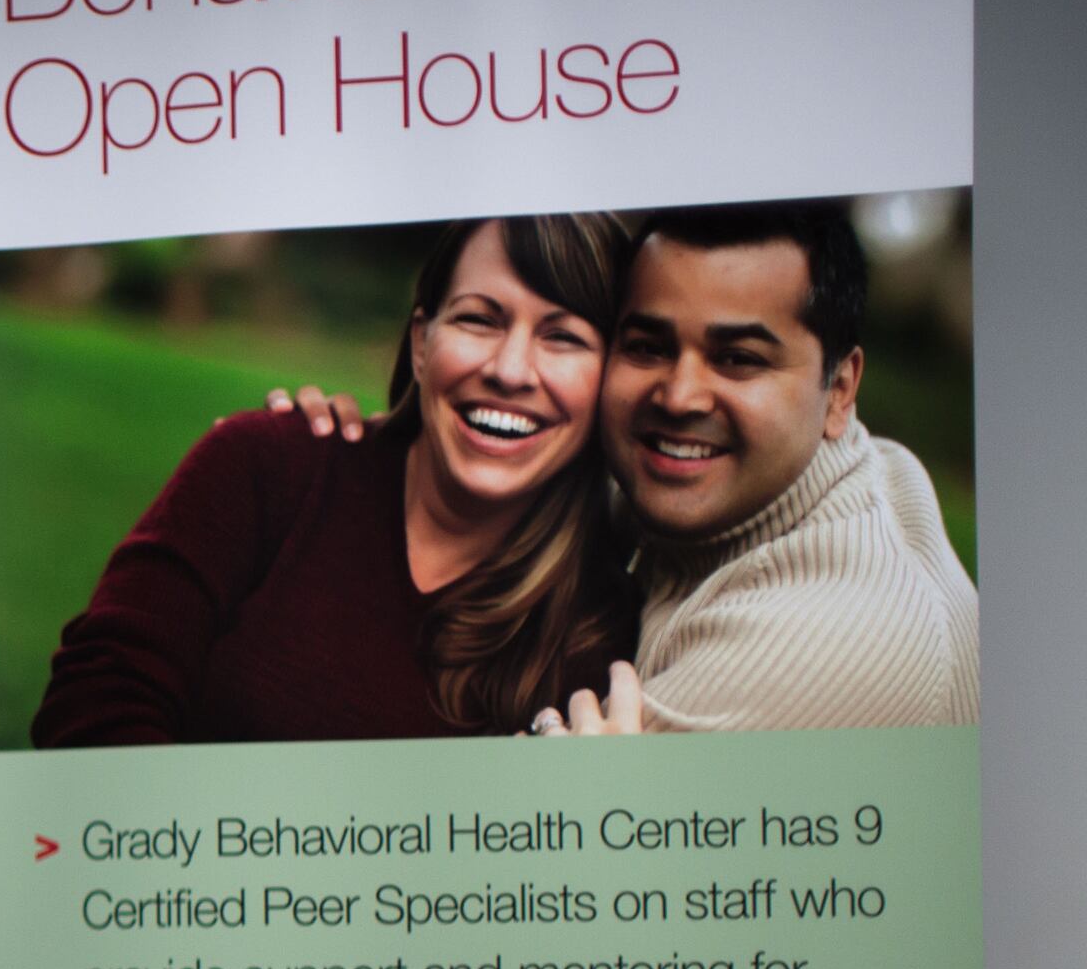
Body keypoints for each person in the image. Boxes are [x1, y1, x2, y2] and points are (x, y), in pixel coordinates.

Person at [31, 213, 640, 746]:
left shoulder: (599, 634)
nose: (509, 371)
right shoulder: (268, 463)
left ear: (610, 380)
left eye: (563, 337)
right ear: (422, 345)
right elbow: (94, 699)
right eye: (479, 320)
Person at [549, 201, 976, 734]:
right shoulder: (832, 470)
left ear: (840, 391)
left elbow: (525, 816)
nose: (680, 397)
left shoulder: (818, 645)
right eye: (647, 347)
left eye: (739, 358)